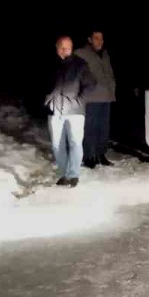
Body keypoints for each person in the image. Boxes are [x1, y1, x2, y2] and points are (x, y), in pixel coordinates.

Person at [45, 35, 95, 187]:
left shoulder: (80, 64)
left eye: (68, 48)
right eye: (62, 47)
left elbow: (91, 84)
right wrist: (46, 99)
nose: (65, 50)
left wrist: (80, 100)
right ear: (57, 48)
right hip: (55, 110)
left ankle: (73, 175)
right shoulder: (50, 64)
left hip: (75, 111)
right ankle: (63, 174)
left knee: (75, 143)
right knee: (57, 145)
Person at [75, 29, 117, 168]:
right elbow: (74, 73)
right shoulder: (81, 53)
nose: (100, 41)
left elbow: (109, 72)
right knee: (90, 128)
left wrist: (112, 85)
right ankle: (88, 157)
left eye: (101, 39)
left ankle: (101, 154)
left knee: (103, 128)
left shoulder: (104, 54)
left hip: (106, 96)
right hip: (90, 97)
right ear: (89, 39)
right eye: (97, 38)